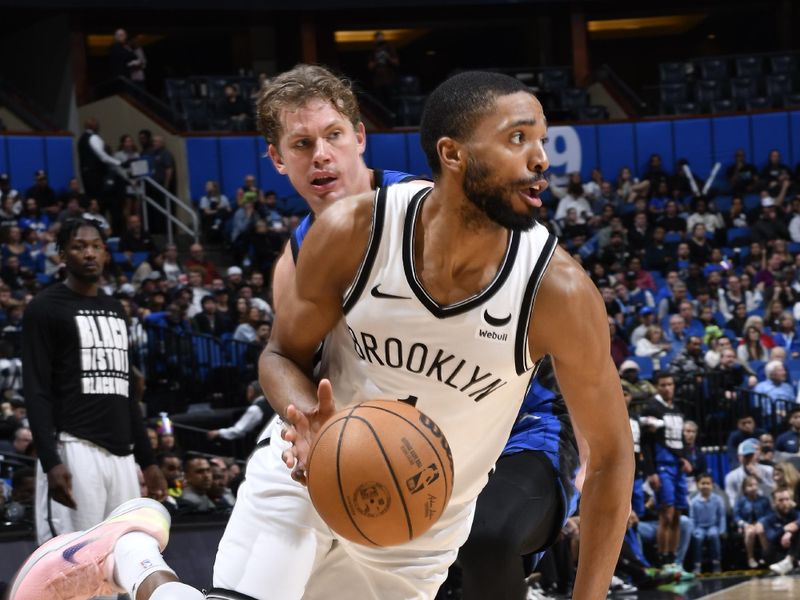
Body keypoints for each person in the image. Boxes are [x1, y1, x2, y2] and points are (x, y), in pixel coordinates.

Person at [21, 218, 166, 546]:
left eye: (96, 246)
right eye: (78, 246)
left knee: (119, 566)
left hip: (122, 456)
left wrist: (148, 461)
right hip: (74, 447)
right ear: (62, 255)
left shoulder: (115, 309)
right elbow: (36, 389)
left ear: (106, 253)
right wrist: (50, 460)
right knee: (74, 567)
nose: (89, 253)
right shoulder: (44, 308)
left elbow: (127, 391)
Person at [639, 372, 692, 575]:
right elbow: (646, 443)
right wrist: (651, 472)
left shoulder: (677, 410)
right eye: (663, 384)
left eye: (670, 384)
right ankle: (663, 562)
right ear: (656, 387)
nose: (667, 388)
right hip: (662, 466)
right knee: (666, 514)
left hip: (677, 467)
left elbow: (679, 440)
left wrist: (685, 458)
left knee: (678, 513)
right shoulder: (652, 408)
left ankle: (674, 561)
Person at [689, 473, 726, 573]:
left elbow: (721, 516)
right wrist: (693, 530)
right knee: (697, 538)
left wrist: (722, 529)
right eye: (703, 483)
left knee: (714, 535)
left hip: (712, 526)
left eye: (708, 483)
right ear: (697, 485)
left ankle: (716, 563)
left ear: (712, 485)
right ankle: (697, 564)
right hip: (699, 527)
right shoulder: (694, 501)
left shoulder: (718, 500)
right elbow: (692, 518)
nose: (705, 486)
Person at [734, 474, 772, 568]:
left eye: (755, 485)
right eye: (750, 485)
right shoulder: (741, 501)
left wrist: (761, 522)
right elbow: (736, 516)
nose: (753, 488)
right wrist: (744, 524)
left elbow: (769, 514)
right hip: (747, 525)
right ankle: (750, 557)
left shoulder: (764, 500)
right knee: (750, 531)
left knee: (761, 531)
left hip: (761, 524)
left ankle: (767, 556)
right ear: (744, 488)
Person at [725, 438, 774, 507]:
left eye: (751, 455)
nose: (749, 459)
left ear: (755, 456)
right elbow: (732, 501)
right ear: (739, 457)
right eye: (746, 456)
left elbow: (773, 495)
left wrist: (760, 479)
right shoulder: (731, 477)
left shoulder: (769, 470)